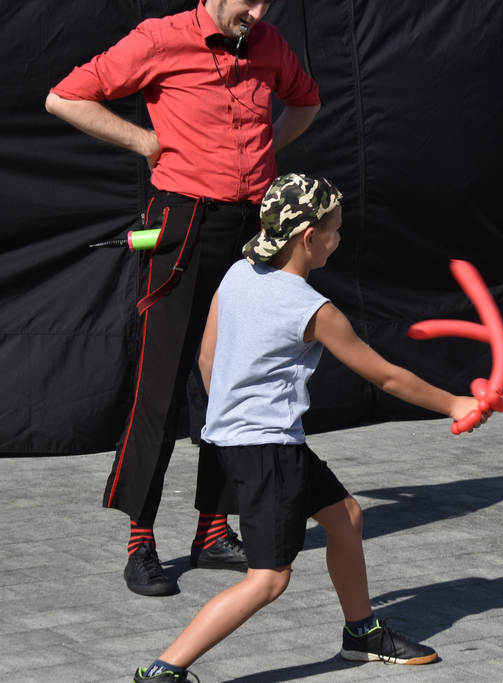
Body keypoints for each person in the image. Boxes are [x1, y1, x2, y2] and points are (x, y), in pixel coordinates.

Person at [132, 173, 484, 681]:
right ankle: (163, 670)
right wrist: (455, 403)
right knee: (269, 579)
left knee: (345, 517)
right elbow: (384, 374)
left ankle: (361, 633)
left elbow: (207, 358)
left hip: (237, 440)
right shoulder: (310, 308)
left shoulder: (236, 274)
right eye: (336, 230)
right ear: (308, 237)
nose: (340, 239)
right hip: (267, 449)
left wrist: (235, 415)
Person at [45, 0, 321, 596]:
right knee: (161, 382)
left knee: (233, 376)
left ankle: (213, 530)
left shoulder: (269, 44)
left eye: (267, 0)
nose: (257, 10)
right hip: (183, 220)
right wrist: (145, 141)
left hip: (252, 228)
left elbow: (307, 101)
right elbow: (65, 96)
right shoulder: (160, 39)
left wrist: (270, 144)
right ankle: (140, 540)